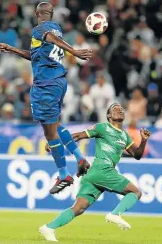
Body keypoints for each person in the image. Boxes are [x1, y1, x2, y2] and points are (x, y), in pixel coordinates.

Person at [0, 2, 92, 194]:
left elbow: (49, 38)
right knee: (54, 126)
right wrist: (12, 49)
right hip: (57, 82)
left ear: (36, 13)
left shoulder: (41, 29)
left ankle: (64, 174)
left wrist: (74, 51)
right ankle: (80, 158)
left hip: (46, 85)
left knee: (50, 133)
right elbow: (36, 56)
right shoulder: (55, 29)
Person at [41, 103, 151, 241]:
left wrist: (144, 141)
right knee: (135, 192)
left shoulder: (125, 136)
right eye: (115, 109)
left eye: (121, 109)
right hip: (103, 170)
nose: (120, 110)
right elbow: (77, 136)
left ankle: (48, 227)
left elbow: (137, 155)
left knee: (78, 208)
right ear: (109, 116)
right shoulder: (102, 127)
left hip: (93, 175)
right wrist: (54, 143)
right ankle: (115, 214)